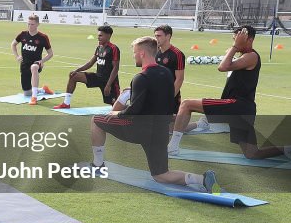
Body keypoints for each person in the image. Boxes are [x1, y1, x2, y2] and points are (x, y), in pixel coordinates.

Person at [168, 26, 291, 162]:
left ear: (250, 39)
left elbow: (223, 67)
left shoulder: (251, 56)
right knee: (253, 154)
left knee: (187, 104)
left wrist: (234, 47)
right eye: (234, 39)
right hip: (242, 109)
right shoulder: (243, 56)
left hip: (237, 105)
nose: (236, 42)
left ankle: (173, 147)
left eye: (239, 39)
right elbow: (227, 64)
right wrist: (235, 47)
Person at [90, 36, 220, 192]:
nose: (134, 56)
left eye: (135, 52)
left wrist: (116, 113)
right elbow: (169, 102)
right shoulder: (166, 73)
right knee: (161, 175)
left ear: (143, 53)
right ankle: (202, 179)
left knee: (96, 120)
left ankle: (98, 165)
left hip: (138, 130)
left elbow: (134, 111)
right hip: (160, 132)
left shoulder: (140, 77)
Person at [53, 26, 120, 109]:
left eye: (100, 35)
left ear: (108, 35)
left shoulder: (114, 48)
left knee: (117, 108)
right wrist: (76, 70)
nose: (98, 38)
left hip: (110, 81)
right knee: (73, 75)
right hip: (98, 77)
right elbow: (90, 63)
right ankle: (66, 103)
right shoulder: (99, 48)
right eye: (98, 35)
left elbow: (115, 68)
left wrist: (108, 85)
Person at [11, 14, 54, 105]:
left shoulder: (43, 37)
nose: (30, 26)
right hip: (24, 64)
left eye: (32, 24)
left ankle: (34, 97)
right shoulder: (23, 34)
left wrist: (41, 61)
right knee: (26, 93)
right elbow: (13, 44)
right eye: (28, 24)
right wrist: (17, 56)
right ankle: (43, 89)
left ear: (38, 24)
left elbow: (50, 54)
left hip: (36, 63)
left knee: (34, 67)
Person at [154, 25, 186, 110]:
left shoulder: (177, 54)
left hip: (169, 96)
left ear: (168, 36)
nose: (156, 38)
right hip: (155, 94)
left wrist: (169, 98)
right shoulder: (154, 52)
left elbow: (179, 79)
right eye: (155, 36)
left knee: (170, 122)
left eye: (159, 36)